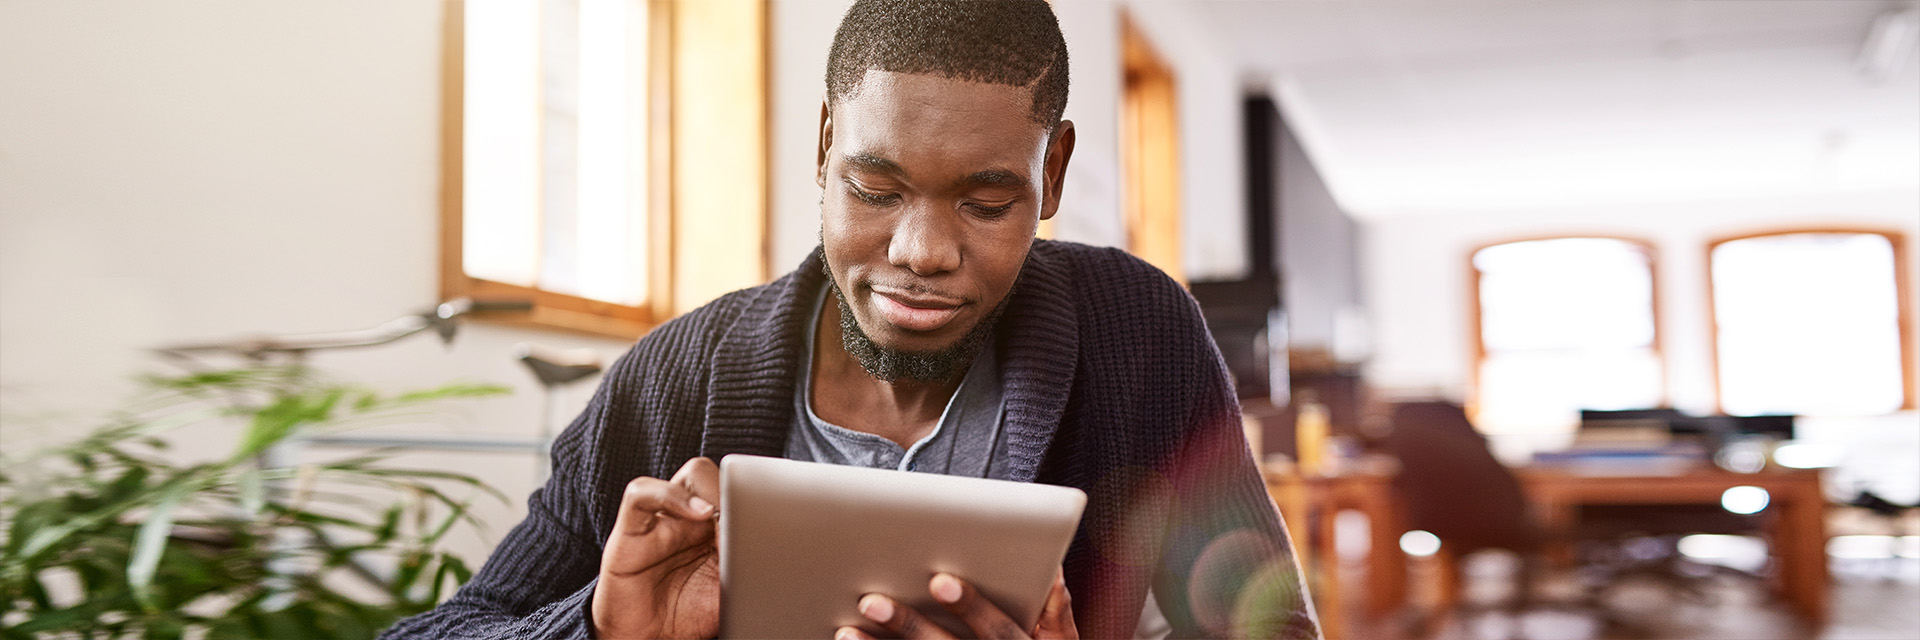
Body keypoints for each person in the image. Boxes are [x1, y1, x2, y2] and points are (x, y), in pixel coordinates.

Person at [382, 1, 1318, 638]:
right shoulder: (669, 379)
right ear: (827, 144)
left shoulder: (1138, 334)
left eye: (986, 205)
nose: (920, 251)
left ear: (1054, 174)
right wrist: (595, 625)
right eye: (874, 188)